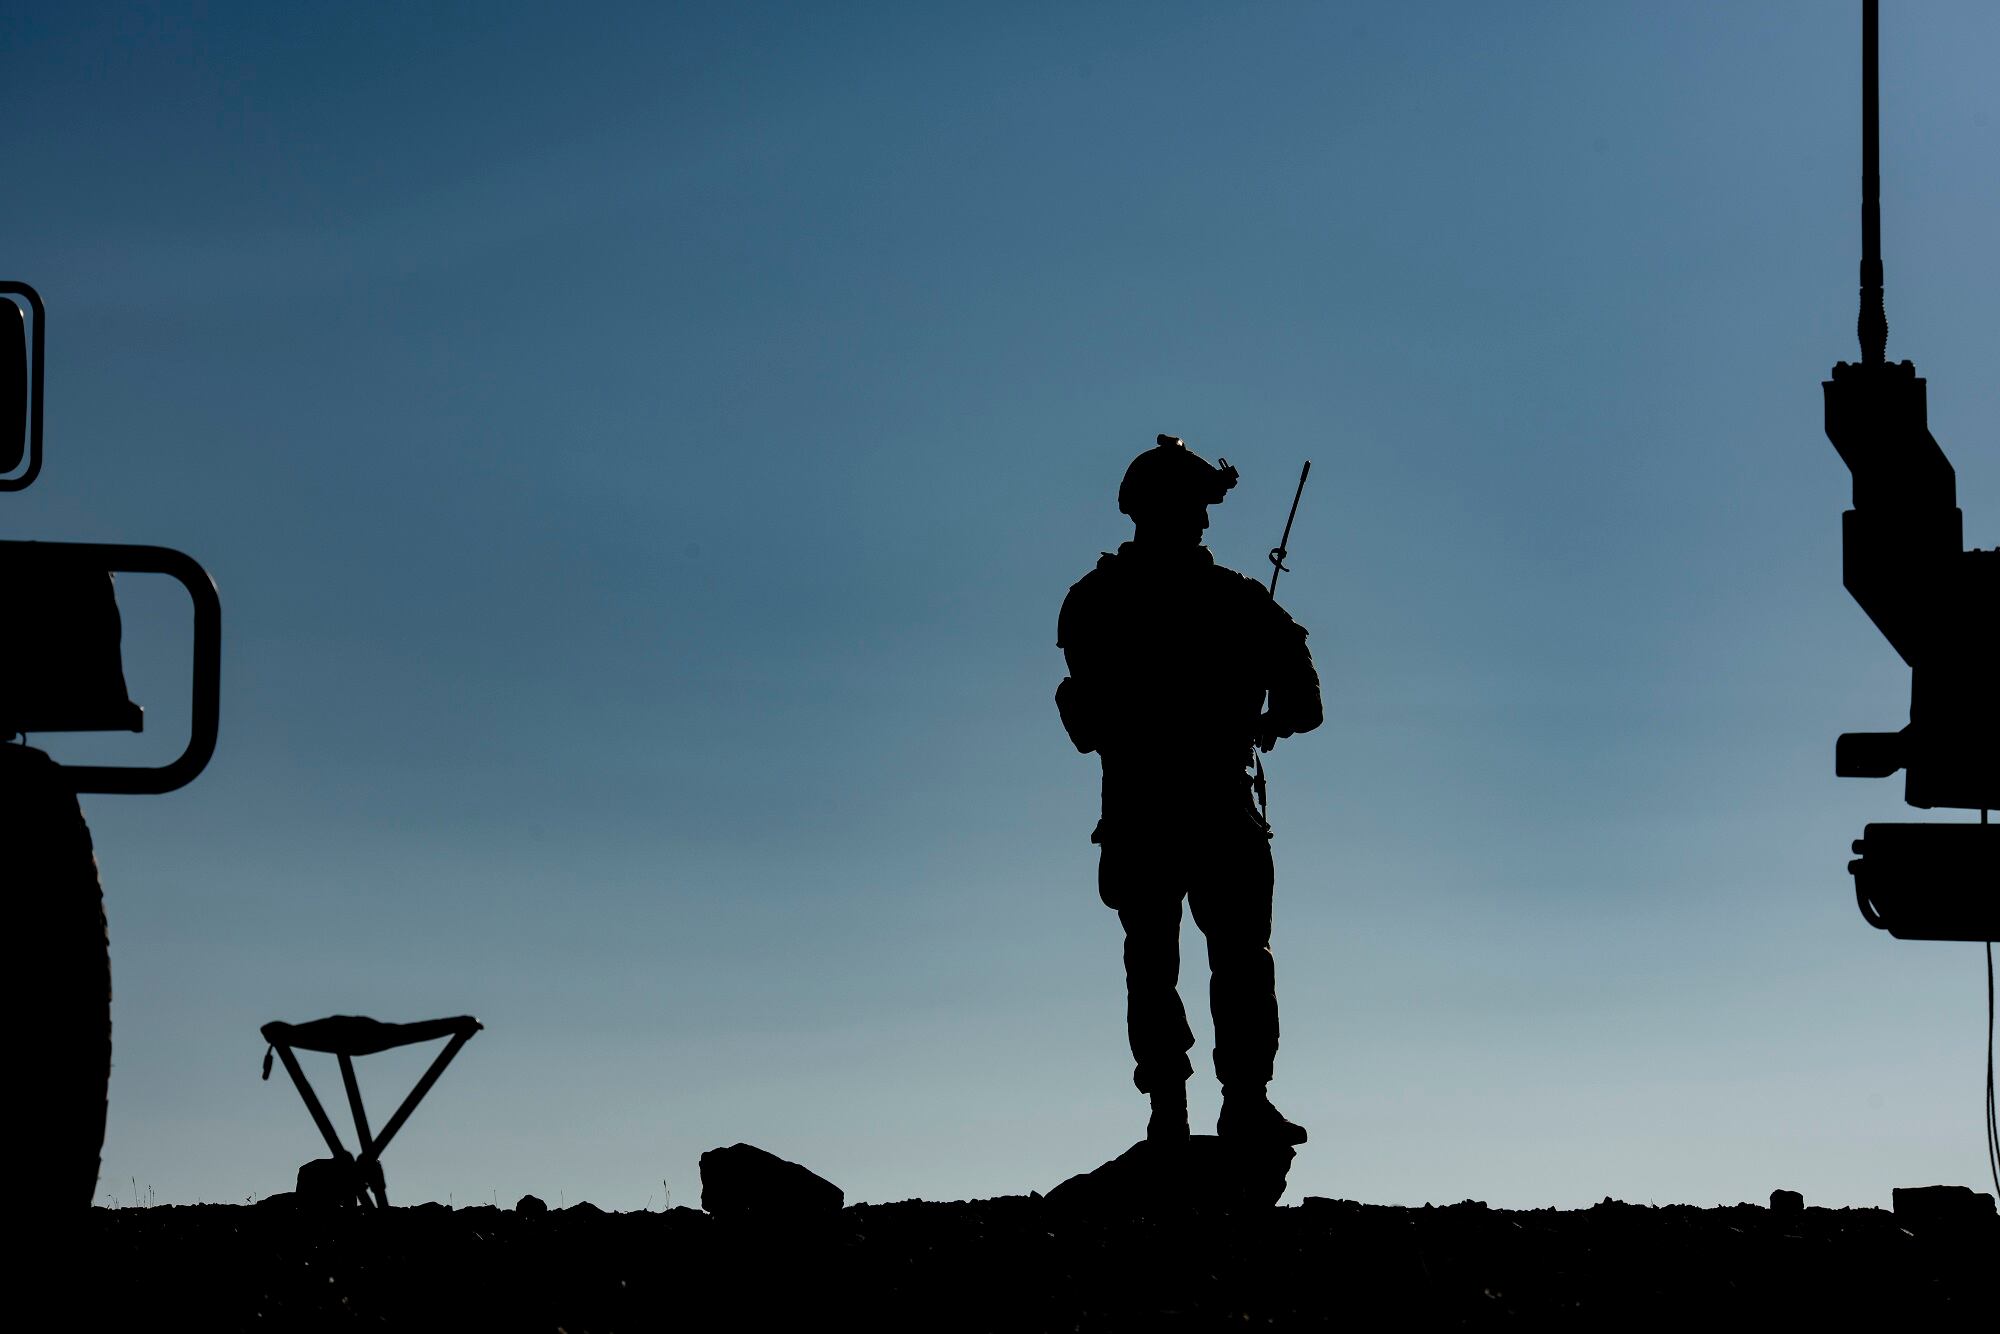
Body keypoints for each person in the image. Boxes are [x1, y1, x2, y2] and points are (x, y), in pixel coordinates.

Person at [1056, 436, 1323, 1144]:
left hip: (1144, 812)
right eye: (1198, 507)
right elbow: (1304, 703)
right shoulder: (1238, 602)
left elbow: (1082, 716)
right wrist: (1260, 720)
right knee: (1229, 960)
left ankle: (1179, 1111)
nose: (1204, 521)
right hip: (1212, 809)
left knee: (1157, 963)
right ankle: (1236, 1104)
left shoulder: (1093, 602)